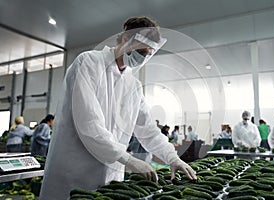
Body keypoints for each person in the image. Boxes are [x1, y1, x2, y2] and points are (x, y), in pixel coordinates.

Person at [40, 16, 196, 199]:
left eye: (147, 53)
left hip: (111, 179)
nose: (142, 56)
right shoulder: (89, 63)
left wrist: (173, 157)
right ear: (124, 39)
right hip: (75, 174)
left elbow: (148, 131)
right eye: (140, 50)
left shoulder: (133, 85)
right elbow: (89, 125)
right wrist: (128, 159)